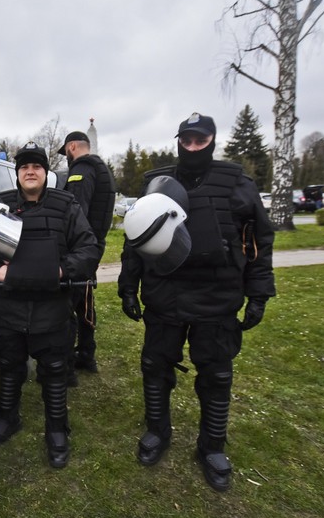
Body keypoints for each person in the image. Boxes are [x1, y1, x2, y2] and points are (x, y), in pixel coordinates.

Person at [117, 112, 276, 492]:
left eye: (199, 140)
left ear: (212, 141)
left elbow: (259, 241)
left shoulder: (238, 184)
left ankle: (212, 447)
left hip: (217, 296)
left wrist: (259, 293)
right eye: (185, 140)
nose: (191, 147)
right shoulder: (156, 185)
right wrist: (128, 286)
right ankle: (158, 431)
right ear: (178, 141)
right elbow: (135, 239)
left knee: (217, 375)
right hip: (165, 294)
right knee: (155, 367)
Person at [0, 141, 99, 468]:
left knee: (54, 373)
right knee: (10, 368)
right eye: (24, 166)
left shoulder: (67, 206)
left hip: (51, 310)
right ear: (17, 173)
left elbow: (89, 248)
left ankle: (57, 430)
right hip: (9, 308)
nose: (30, 170)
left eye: (36, 166)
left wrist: (61, 269)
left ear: (45, 172)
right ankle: (8, 417)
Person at [58, 131, 116, 376]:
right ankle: (86, 354)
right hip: (93, 246)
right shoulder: (100, 168)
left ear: (72, 147)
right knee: (84, 300)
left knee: (66, 305)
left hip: (80, 248)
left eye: (66, 154)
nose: (66, 159)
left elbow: (75, 212)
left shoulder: (82, 170)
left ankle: (67, 367)